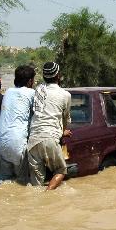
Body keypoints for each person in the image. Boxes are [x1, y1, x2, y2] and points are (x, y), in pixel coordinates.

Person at [27, 62, 71, 190]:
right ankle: (48, 194)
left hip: (33, 141)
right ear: (58, 75)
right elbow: (65, 118)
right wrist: (63, 132)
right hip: (50, 138)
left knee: (36, 184)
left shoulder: (38, 90)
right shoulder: (65, 95)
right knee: (61, 170)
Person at [0, 65, 36, 184]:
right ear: (30, 81)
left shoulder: (8, 91)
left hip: (1, 140)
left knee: (3, 179)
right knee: (21, 182)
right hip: (17, 141)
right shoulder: (31, 93)